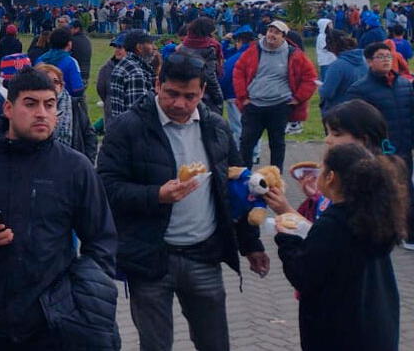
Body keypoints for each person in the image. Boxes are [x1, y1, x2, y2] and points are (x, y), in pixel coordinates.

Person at [0, 68, 118, 349]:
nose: (42, 113)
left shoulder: (74, 167)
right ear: (9, 108)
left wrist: (80, 294)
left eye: (50, 104)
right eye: (30, 104)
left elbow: (101, 239)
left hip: (53, 323)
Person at [99, 53, 268, 351]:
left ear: (202, 91)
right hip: (150, 259)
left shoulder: (216, 127)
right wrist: (156, 195)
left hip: (203, 254)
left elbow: (238, 188)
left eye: (189, 96)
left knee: (215, 343)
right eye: (172, 94)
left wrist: (251, 244)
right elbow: (106, 188)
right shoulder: (126, 128)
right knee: (155, 345)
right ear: (157, 85)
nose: (180, 104)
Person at [264, 143, 405, 351]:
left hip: (339, 332)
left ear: (331, 177)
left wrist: (286, 238)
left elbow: (303, 275)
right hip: (376, 325)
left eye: (322, 169)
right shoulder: (372, 215)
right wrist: (297, 206)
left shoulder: (333, 223)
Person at [344, 42, 414, 248]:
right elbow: (354, 122)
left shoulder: (404, 85)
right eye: (381, 56)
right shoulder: (360, 89)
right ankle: (378, 230)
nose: (386, 60)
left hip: (403, 148)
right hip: (378, 150)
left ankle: (408, 233)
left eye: (388, 56)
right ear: (369, 61)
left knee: (406, 190)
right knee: (379, 191)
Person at [233, 20, 318, 168]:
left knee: (277, 144)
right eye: (270, 31)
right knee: (246, 144)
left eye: (276, 33)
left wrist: (298, 98)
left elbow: (310, 77)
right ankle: (243, 179)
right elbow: (238, 71)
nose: (271, 35)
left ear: (284, 37)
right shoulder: (254, 50)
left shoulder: (294, 54)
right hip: (254, 106)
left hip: (279, 106)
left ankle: (275, 178)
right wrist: (243, 97)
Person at [175, 17, 225, 112]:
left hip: (184, 91)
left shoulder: (182, 47)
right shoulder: (210, 48)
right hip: (204, 94)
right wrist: (218, 98)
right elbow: (209, 76)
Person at [106, 29, 158, 122]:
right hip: (132, 132)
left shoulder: (126, 64)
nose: (154, 47)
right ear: (139, 47)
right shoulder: (135, 72)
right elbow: (138, 114)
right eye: (150, 43)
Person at [318, 31, 367, 115]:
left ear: (333, 48)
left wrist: (321, 88)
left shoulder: (337, 66)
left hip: (340, 112)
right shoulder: (364, 61)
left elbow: (327, 93)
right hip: (362, 109)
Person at [35, 27, 85, 98]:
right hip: (64, 102)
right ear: (69, 44)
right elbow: (77, 89)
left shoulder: (39, 60)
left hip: (43, 100)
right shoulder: (71, 62)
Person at [95, 31, 127, 124]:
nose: (117, 50)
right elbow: (101, 89)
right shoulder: (106, 68)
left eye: (120, 47)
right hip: (111, 112)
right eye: (116, 47)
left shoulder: (135, 68)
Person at [70, 19, 93, 89]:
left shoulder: (72, 41)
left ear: (77, 29)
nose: (69, 30)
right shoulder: (87, 40)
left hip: (75, 74)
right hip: (85, 73)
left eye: (71, 28)